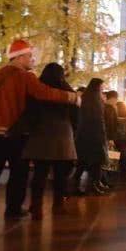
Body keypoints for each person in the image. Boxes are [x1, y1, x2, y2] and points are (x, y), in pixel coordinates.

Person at [0, 39, 78, 219]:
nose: (32, 59)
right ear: (19, 57)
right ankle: (13, 210)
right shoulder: (25, 76)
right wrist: (73, 97)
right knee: (18, 174)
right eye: (29, 56)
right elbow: (44, 93)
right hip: (15, 132)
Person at [22, 63, 78, 219]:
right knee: (60, 174)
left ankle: (36, 206)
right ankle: (58, 205)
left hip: (40, 135)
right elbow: (76, 115)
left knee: (40, 173)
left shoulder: (38, 89)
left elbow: (29, 111)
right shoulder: (67, 90)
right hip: (63, 136)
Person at [74, 78, 109, 195]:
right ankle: (92, 185)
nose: (102, 89)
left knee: (84, 162)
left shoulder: (86, 98)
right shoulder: (94, 100)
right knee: (94, 162)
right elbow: (98, 120)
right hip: (94, 136)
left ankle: (80, 185)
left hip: (85, 135)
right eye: (101, 87)